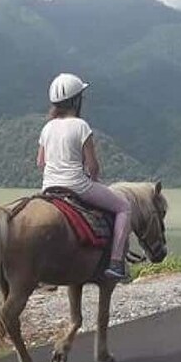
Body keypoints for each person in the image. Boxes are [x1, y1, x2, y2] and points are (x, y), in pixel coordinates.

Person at [37, 73, 133, 283]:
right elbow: (92, 165)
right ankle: (116, 263)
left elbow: (40, 163)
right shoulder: (81, 126)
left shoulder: (47, 127)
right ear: (76, 100)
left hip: (49, 188)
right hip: (77, 185)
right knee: (124, 207)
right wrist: (94, 179)